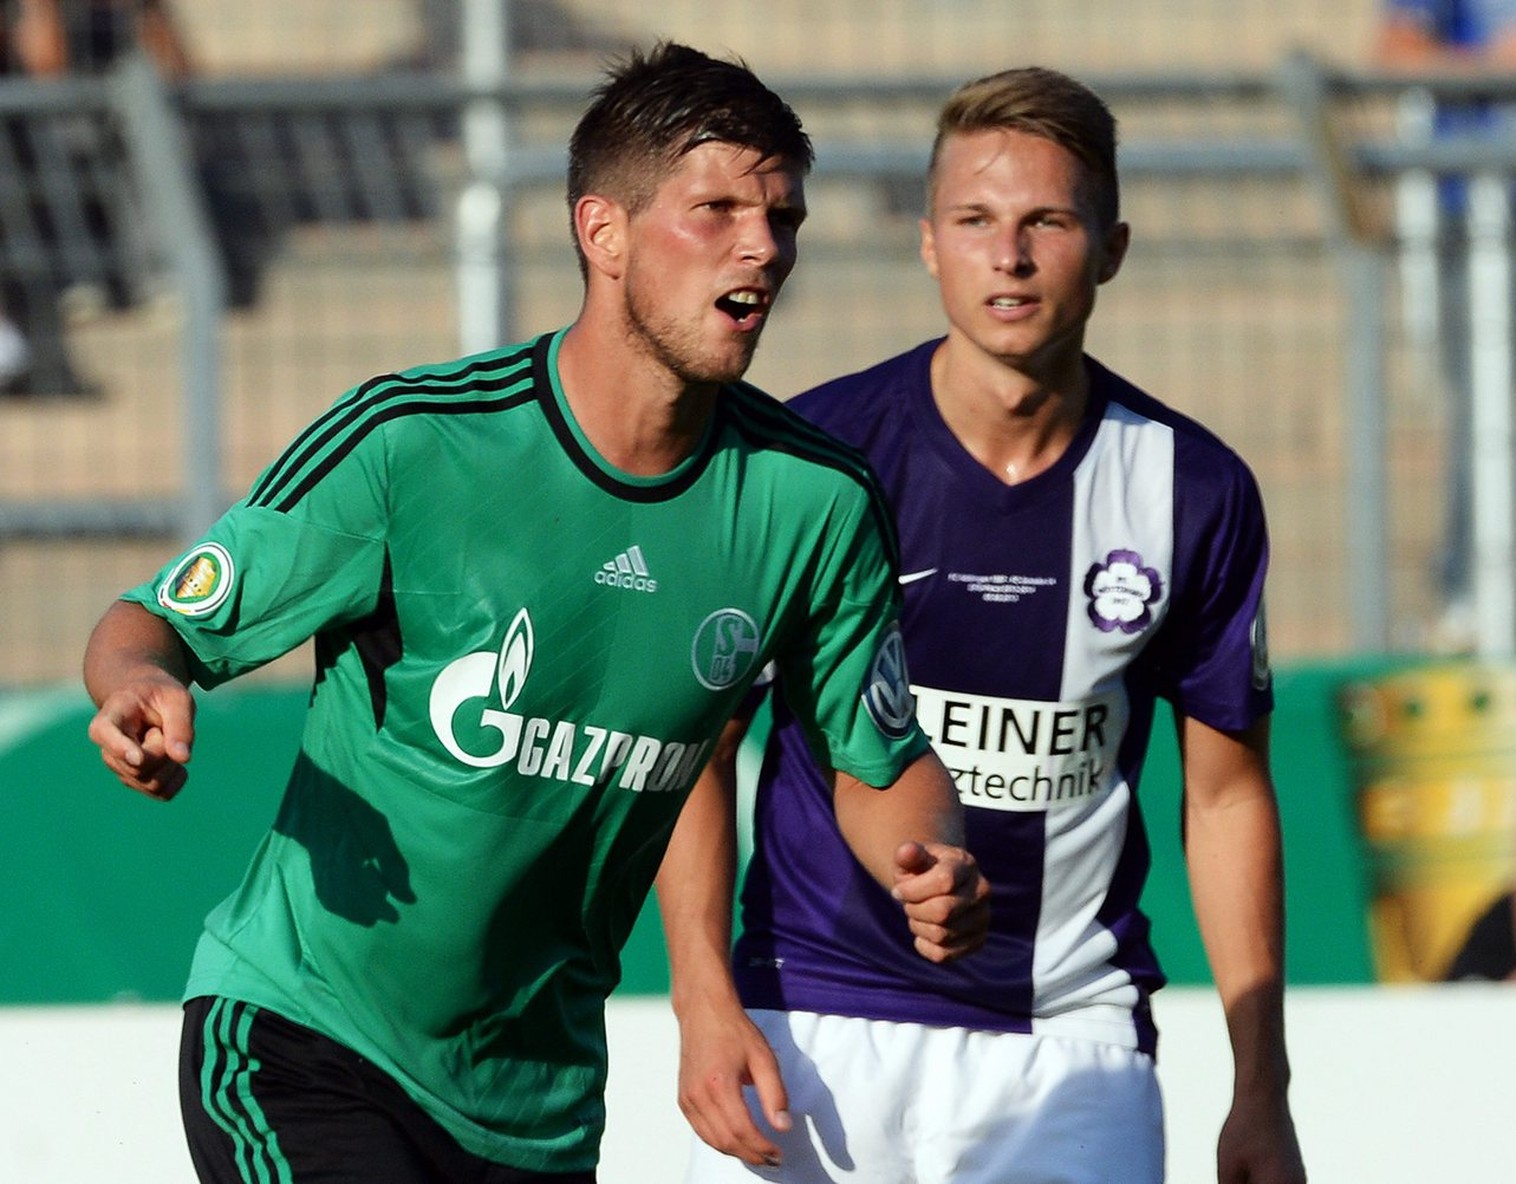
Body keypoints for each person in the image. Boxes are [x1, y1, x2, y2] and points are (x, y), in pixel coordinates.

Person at [82, 42, 988, 1184]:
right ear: (601, 232)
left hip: (536, 1101)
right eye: (715, 210)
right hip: (305, 1036)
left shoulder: (816, 501)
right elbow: (146, 621)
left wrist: (930, 855)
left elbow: (880, 757)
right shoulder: (416, 441)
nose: (763, 246)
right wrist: (136, 685)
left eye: (783, 218)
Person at [658, 66, 1307, 1183]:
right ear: (928, 243)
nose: (1007, 257)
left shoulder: (1191, 487)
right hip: (815, 1016)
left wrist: (1263, 1087)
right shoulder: (813, 458)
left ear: (1110, 245)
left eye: (1046, 221)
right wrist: (703, 999)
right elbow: (696, 746)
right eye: (975, 221)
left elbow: (1227, 792)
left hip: (1070, 1037)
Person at [1375, 0, 1516, 648]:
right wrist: (1499, 67)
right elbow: (1396, 50)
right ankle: (1470, 595)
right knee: (1483, 413)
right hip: (1484, 216)